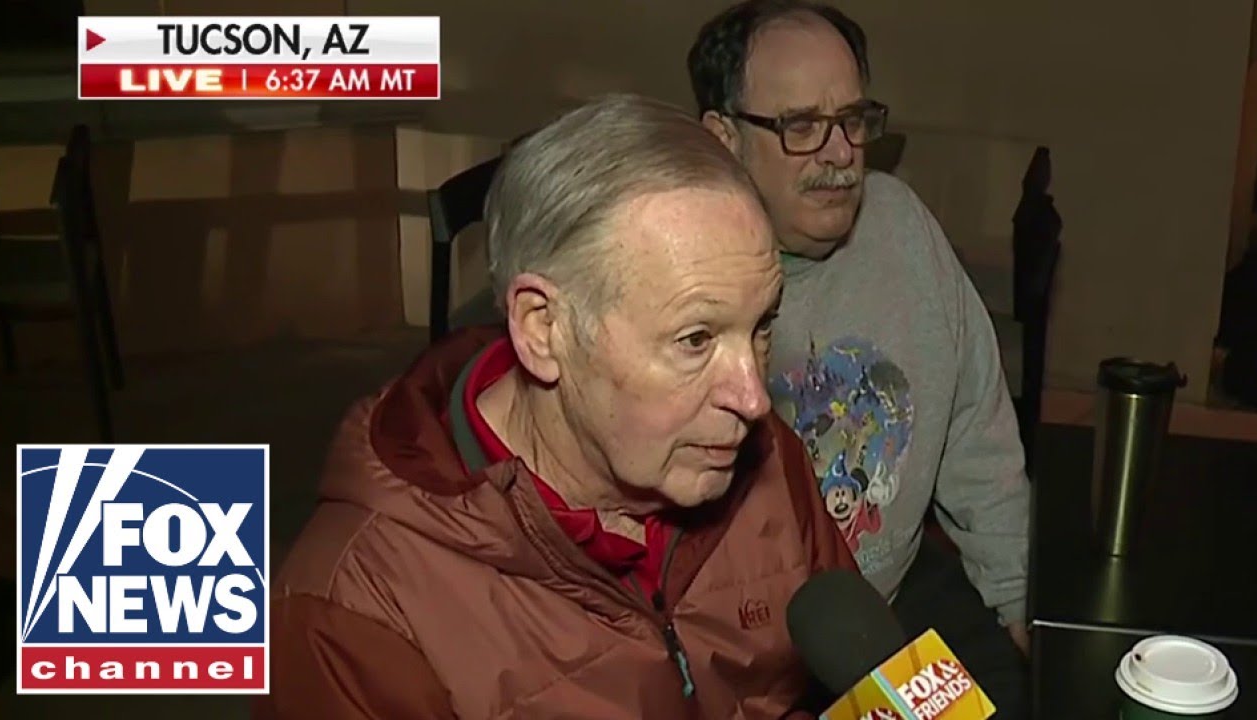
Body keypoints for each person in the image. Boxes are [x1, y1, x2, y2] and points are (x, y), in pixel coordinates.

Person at [254, 93, 872, 720]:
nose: (753, 397)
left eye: (761, 327)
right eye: (695, 340)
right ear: (543, 329)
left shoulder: (761, 455)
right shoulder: (352, 611)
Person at [687, 1, 1033, 716]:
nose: (841, 154)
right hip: (744, 659)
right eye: (801, 126)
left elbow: (978, 434)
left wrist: (1016, 595)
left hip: (894, 600)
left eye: (852, 120)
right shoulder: (676, 285)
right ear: (723, 139)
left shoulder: (900, 225)